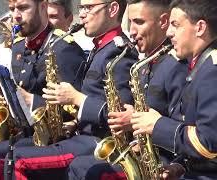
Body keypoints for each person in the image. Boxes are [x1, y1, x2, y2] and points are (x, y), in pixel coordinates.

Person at [3, 0, 138, 179]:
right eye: (81, 8)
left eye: (88, 8)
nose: (82, 14)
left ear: (112, 9)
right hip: (81, 136)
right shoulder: (101, 48)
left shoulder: (119, 52)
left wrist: (76, 99)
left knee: (18, 160)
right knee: (14, 150)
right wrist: (73, 122)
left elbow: (119, 115)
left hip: (99, 143)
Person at [68, 0, 190, 179]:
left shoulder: (177, 66)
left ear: (163, 22)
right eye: (130, 22)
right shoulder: (143, 66)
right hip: (142, 155)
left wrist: (135, 122)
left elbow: (185, 129)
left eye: (139, 22)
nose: (132, 30)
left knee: (83, 168)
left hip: (163, 164)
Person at [0, 0, 87, 179]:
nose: (15, 16)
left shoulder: (64, 48)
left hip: (48, 138)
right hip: (20, 130)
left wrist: (31, 100)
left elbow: (71, 112)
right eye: (12, 9)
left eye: (22, 8)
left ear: (43, 7)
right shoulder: (19, 46)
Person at [130, 0, 217, 179]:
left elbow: (208, 144)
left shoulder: (212, 71)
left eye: (175, 25)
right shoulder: (201, 66)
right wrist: (179, 166)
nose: (169, 32)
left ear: (200, 27)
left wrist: (157, 125)